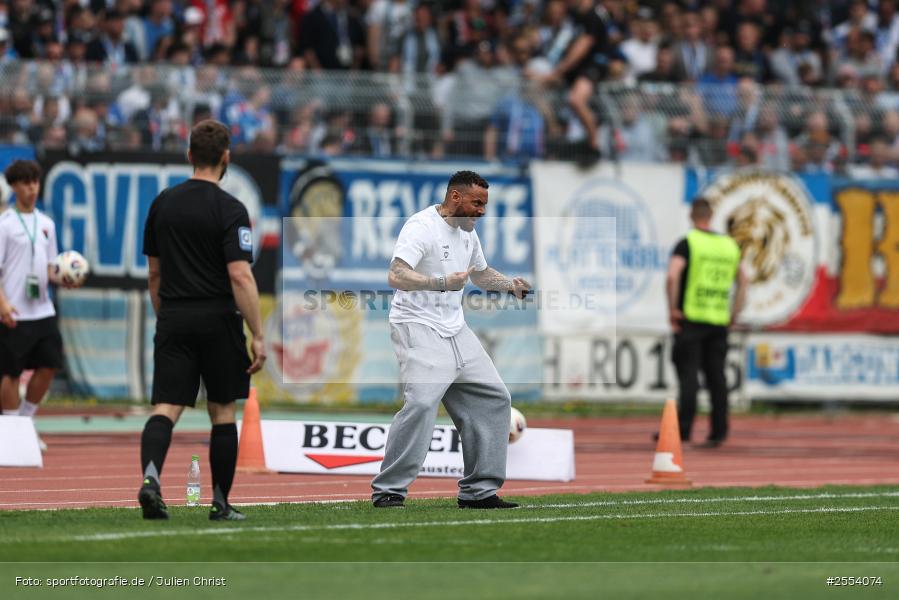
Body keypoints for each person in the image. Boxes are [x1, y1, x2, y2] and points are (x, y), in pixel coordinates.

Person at [372, 170, 531, 509]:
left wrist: (509, 285)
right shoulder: (421, 227)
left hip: (454, 327)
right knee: (422, 402)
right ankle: (390, 489)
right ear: (455, 198)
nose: (481, 211)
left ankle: (479, 491)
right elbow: (396, 274)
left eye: (485, 204)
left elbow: (480, 272)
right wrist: (440, 282)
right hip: (417, 325)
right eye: (477, 203)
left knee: (495, 397)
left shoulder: (467, 233)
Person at [138, 119, 266, 521]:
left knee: (166, 407)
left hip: (174, 316)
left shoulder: (163, 202)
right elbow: (240, 275)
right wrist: (257, 334)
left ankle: (151, 480)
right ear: (226, 157)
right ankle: (219, 502)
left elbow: (154, 275)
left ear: (190, 155)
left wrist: (167, 316)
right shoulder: (230, 209)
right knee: (222, 410)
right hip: (218, 320)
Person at [0, 160, 77, 452]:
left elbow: (51, 267)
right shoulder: (5, 225)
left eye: (35, 182)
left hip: (42, 310)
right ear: (14, 187)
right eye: (25, 183)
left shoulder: (46, 224)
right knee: (10, 373)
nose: (31, 188)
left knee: (49, 365)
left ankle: (24, 423)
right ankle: (10, 432)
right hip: (13, 311)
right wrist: (3, 304)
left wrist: (66, 278)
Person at [666, 198, 747, 448]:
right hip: (718, 320)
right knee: (717, 378)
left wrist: (673, 309)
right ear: (711, 216)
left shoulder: (688, 243)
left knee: (689, 376)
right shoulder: (729, 246)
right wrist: (734, 313)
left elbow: (672, 275)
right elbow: (744, 281)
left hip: (691, 318)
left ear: (692, 216)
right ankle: (719, 431)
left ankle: (684, 431)